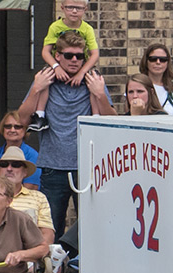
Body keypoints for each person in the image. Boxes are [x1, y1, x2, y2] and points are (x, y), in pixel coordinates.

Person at [17, 30, 112, 231]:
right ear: (58, 56)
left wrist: (100, 95)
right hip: (52, 167)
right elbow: (22, 119)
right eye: (69, 55)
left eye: (80, 56)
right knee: (50, 226)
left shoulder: (93, 80)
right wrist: (36, 89)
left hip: (88, 166)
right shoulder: (45, 78)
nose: (75, 60)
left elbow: (112, 122)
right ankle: (54, 263)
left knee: (91, 227)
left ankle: (80, 262)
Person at [40, 0, 101, 74]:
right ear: (62, 8)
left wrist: (82, 72)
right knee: (43, 77)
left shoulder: (87, 29)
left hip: (80, 64)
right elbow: (46, 51)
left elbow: (95, 54)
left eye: (79, 8)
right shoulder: (55, 27)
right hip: (58, 63)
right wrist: (56, 67)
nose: (74, 11)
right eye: (70, 7)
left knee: (96, 79)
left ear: (85, 9)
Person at [0, 112, 40, 187]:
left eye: (17, 127)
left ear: (25, 130)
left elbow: (30, 188)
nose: (12, 130)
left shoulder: (33, 156)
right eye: (8, 126)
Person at [138, 43, 173, 114]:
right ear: (146, 61)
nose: (158, 62)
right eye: (153, 59)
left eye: (163, 60)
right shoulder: (136, 87)